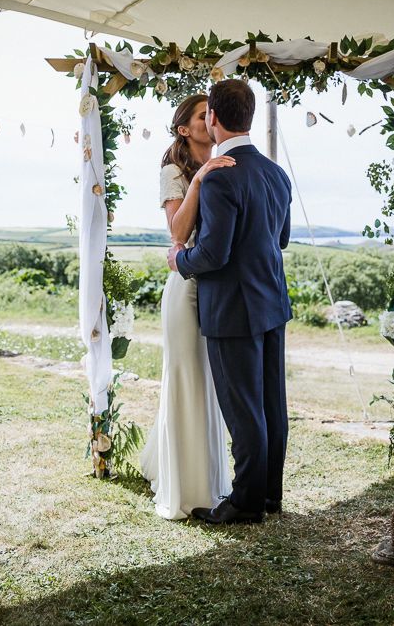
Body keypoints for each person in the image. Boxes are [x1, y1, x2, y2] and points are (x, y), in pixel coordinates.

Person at [168, 79, 293, 524]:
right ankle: (269, 495)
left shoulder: (220, 174)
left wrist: (180, 260)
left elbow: (213, 254)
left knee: (243, 410)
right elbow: (281, 238)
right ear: (251, 118)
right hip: (272, 304)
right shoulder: (276, 174)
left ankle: (244, 503)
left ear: (214, 119)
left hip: (233, 310)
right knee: (272, 406)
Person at [140, 94, 236, 520]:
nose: (208, 120)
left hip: (218, 287)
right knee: (185, 378)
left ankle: (209, 476)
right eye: (202, 116)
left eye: (210, 114)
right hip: (185, 287)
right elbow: (177, 234)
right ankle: (184, 484)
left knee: (210, 383)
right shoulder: (173, 172)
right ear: (185, 129)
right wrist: (198, 183)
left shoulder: (225, 164)